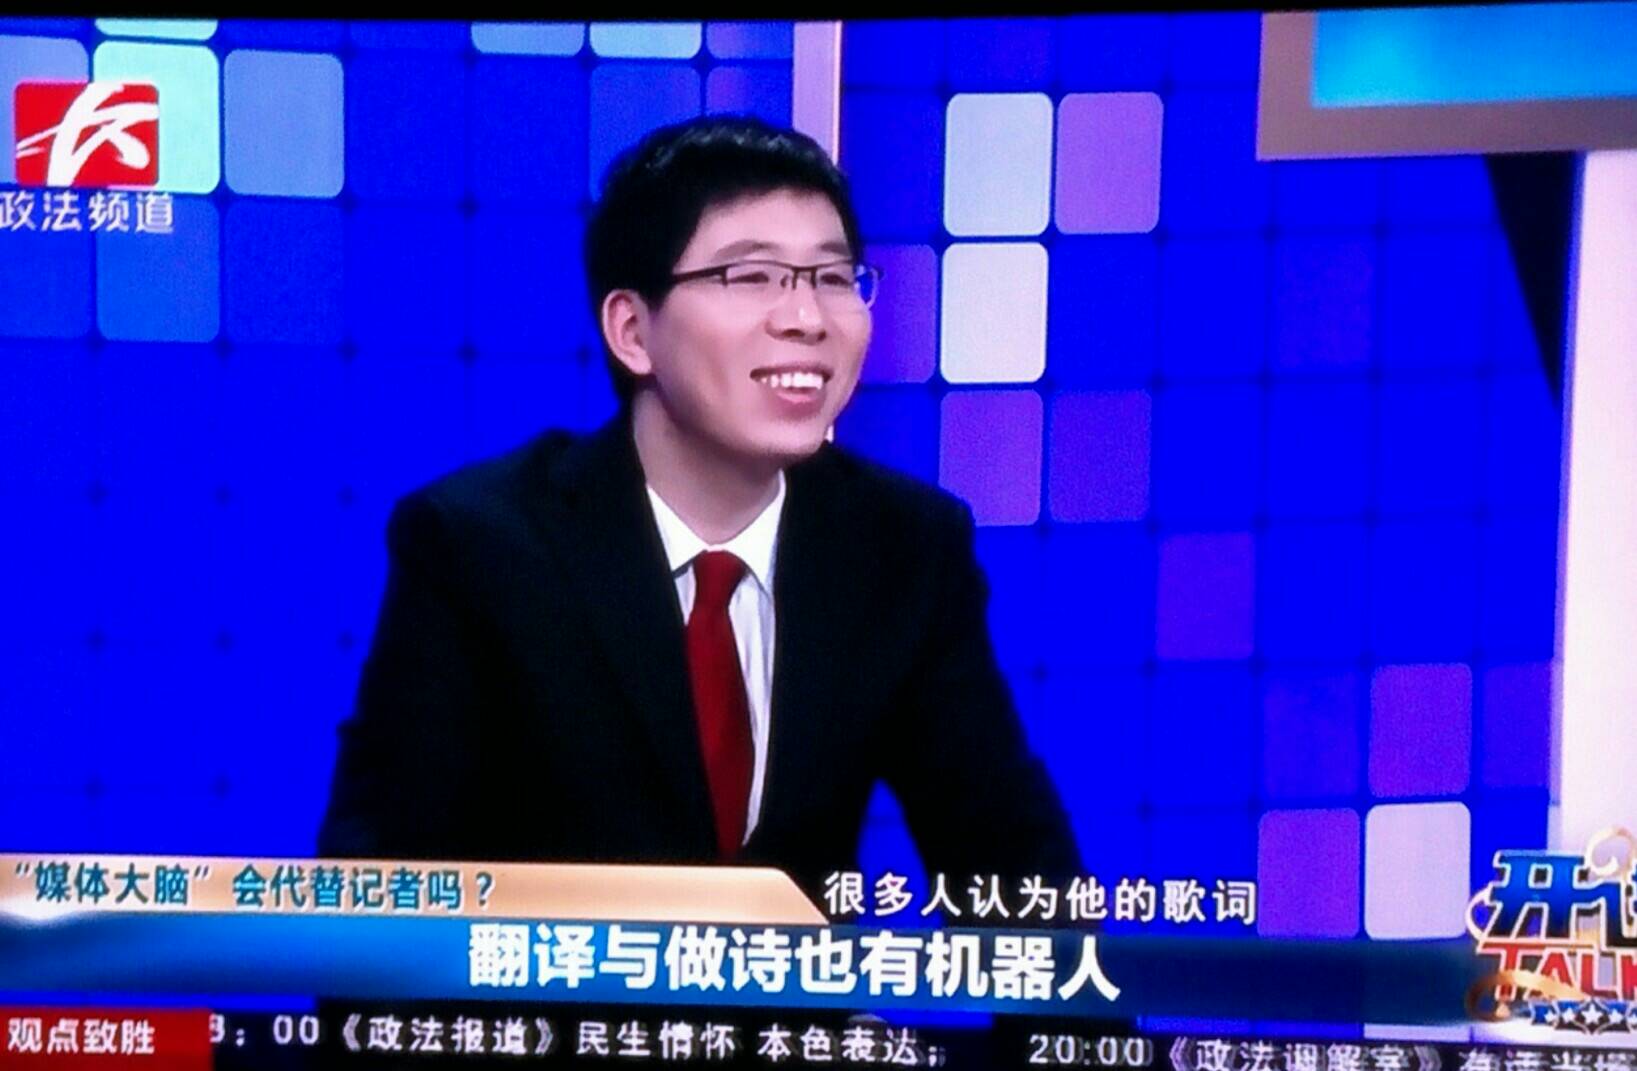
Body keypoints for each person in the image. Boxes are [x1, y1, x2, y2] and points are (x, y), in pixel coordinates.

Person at [317, 116, 1081, 902]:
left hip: (797, 992)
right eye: (750, 277)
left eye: (831, 277)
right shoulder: (478, 545)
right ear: (631, 330)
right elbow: (377, 895)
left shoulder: (903, 546)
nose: (806, 318)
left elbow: (1019, 873)